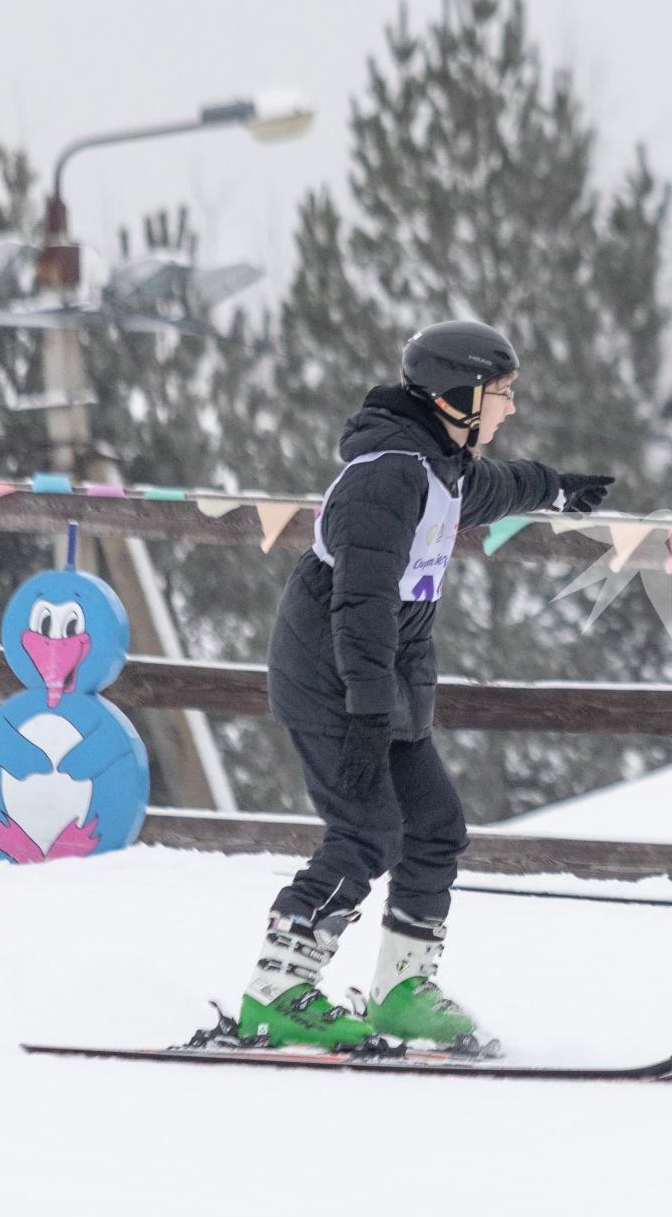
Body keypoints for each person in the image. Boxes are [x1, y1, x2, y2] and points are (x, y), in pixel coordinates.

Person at [236, 320, 616, 1049]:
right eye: (499, 395)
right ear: (456, 397)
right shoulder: (386, 477)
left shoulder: (438, 467)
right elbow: (361, 605)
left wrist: (557, 489)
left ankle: (401, 988)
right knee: (369, 832)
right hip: (335, 681)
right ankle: (277, 988)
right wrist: (370, 712)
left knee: (435, 827)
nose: (508, 409)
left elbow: (493, 487)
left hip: (380, 686)